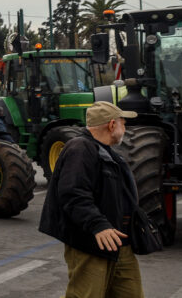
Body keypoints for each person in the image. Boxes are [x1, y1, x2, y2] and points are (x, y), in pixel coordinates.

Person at [39, 101, 144, 297]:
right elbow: (73, 193)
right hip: (91, 243)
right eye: (123, 123)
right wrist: (98, 225)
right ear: (112, 125)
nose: (125, 128)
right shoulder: (80, 148)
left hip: (118, 242)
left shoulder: (107, 152)